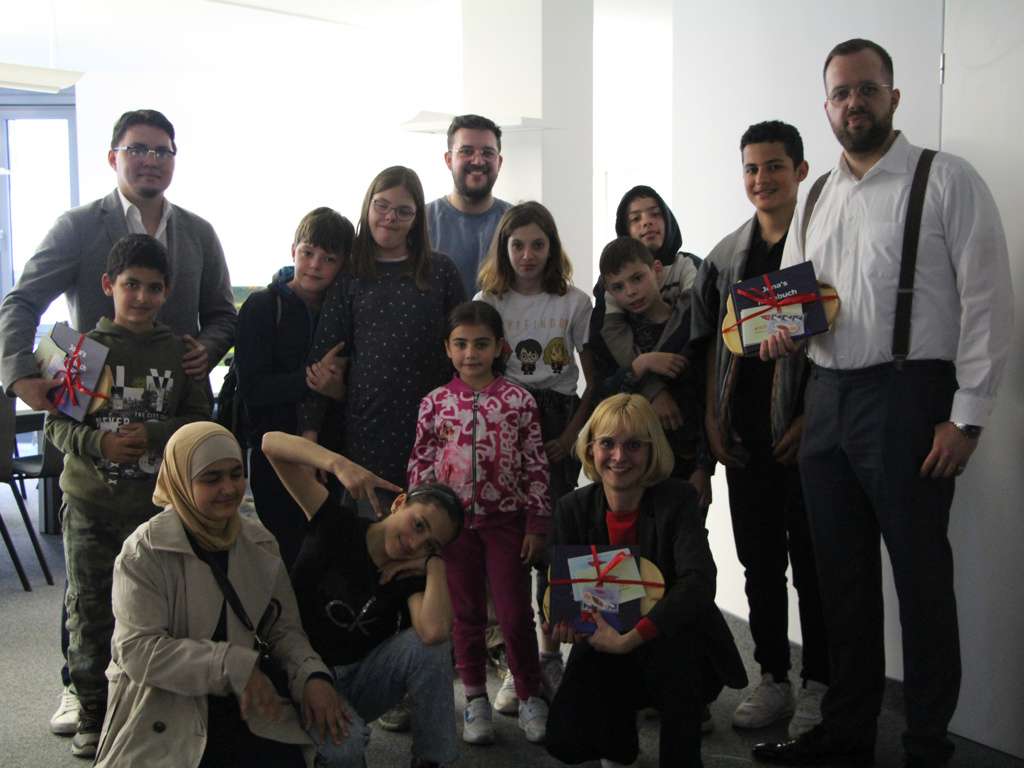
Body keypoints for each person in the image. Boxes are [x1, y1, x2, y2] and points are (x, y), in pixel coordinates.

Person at [753, 39, 1012, 768]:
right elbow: (796, 301)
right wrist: (780, 334)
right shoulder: (818, 196)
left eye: (866, 89)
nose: (854, 103)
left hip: (910, 397)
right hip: (828, 398)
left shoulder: (946, 179)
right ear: (827, 107)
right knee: (840, 581)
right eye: (841, 93)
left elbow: (989, 302)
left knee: (921, 581)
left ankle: (927, 745)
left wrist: (967, 417)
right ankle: (847, 734)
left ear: (893, 97)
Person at [0, 108, 236, 737]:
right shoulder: (79, 226)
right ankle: (81, 690)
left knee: (165, 582)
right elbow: (23, 300)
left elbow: (221, 313)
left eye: (162, 150)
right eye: (137, 149)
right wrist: (20, 373)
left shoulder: (198, 232)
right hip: (92, 404)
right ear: (114, 157)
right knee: (89, 587)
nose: (150, 160)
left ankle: (157, 690)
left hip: (168, 429)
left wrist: (205, 351)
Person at [43, 234, 211, 758]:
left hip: (154, 512)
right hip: (90, 507)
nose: (141, 297)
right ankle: (92, 705)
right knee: (90, 611)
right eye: (130, 284)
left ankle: (141, 703)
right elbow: (55, 426)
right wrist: (101, 443)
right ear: (107, 285)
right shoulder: (79, 349)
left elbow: (201, 421)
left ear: (167, 292)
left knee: (153, 614)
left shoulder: (180, 353)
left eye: (153, 288)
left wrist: (156, 435)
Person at [94, 422, 347, 768]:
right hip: (166, 705)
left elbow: (283, 630)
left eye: (236, 474)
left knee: (333, 747)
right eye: (211, 479)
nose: (229, 489)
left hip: (247, 702)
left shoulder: (259, 543)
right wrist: (231, 665)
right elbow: (138, 652)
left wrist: (312, 676)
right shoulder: (145, 552)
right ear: (181, 483)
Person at [689, 120, 830, 737]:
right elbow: (707, 346)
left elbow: (844, 343)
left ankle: (820, 685)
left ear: (800, 171)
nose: (761, 179)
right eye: (751, 168)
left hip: (807, 439)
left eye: (774, 166)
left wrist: (809, 416)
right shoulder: (727, 256)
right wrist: (712, 420)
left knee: (815, 566)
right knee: (760, 566)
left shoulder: (821, 246)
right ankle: (773, 677)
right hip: (744, 441)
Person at [543, 394, 746, 768]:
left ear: (653, 451)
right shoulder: (572, 507)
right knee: (565, 741)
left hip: (670, 637)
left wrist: (631, 639)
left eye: (634, 445)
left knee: (675, 658)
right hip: (605, 635)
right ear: (591, 448)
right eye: (607, 443)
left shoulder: (679, 498)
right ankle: (621, 739)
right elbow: (560, 584)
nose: (619, 456)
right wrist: (564, 622)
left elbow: (698, 582)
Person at [262, 430, 463, 768]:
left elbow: (433, 635)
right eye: (418, 525)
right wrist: (337, 463)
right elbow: (270, 444)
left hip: (358, 679)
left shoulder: (408, 574)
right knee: (346, 750)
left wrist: (435, 566)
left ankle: (431, 760)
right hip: (300, 674)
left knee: (430, 648)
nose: (416, 544)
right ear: (399, 503)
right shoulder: (336, 524)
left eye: (430, 544)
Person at [408, 300, 551, 745]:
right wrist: (422, 523)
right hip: (453, 531)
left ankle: (529, 694)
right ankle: (475, 698)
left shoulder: (519, 401)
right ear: (447, 348)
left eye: (481, 344)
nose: (471, 353)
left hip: (506, 524)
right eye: (461, 344)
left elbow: (536, 465)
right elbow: (421, 463)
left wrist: (536, 523)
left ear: (500, 347)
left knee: (515, 614)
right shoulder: (434, 402)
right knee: (466, 614)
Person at [475, 201, 594, 711]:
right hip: (504, 418)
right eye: (518, 244)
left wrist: (570, 436)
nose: (527, 254)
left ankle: (549, 657)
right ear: (504, 248)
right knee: (509, 542)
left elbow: (595, 380)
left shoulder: (575, 301)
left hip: (558, 420)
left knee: (553, 538)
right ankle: (516, 662)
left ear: (552, 247)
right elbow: (475, 372)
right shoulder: (488, 301)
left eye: (538, 245)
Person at [297, 167, 467, 509]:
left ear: (416, 219)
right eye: (382, 206)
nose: (390, 217)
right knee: (371, 532)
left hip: (438, 431)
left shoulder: (441, 271)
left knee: (432, 527)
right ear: (368, 206)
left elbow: (465, 349)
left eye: (403, 211)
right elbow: (321, 363)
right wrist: (309, 442)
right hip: (368, 435)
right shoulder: (349, 276)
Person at [235, 207, 353, 570]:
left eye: (328, 258)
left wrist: (336, 389)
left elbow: (352, 391)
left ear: (344, 264)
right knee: (283, 554)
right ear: (293, 251)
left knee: (326, 552)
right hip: (274, 452)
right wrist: (309, 379)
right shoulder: (262, 306)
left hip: (331, 451)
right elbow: (252, 387)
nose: (315, 265)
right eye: (307, 253)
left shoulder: (347, 312)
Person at [591, 236, 712, 513]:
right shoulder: (614, 338)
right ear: (609, 291)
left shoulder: (691, 327)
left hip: (686, 461)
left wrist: (704, 467)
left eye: (637, 278)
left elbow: (706, 398)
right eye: (619, 287)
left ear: (657, 270)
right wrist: (640, 366)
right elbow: (600, 396)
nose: (631, 292)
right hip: (627, 465)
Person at [589, 186, 700, 388]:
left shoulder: (689, 265)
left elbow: (693, 319)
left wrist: (652, 370)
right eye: (635, 219)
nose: (647, 222)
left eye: (655, 214)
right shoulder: (609, 283)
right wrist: (650, 387)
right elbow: (611, 339)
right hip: (635, 394)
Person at [425, 114, 513, 298]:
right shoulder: (421, 222)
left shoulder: (517, 222)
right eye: (466, 151)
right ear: (448, 160)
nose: (478, 161)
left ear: (499, 162)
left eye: (488, 153)